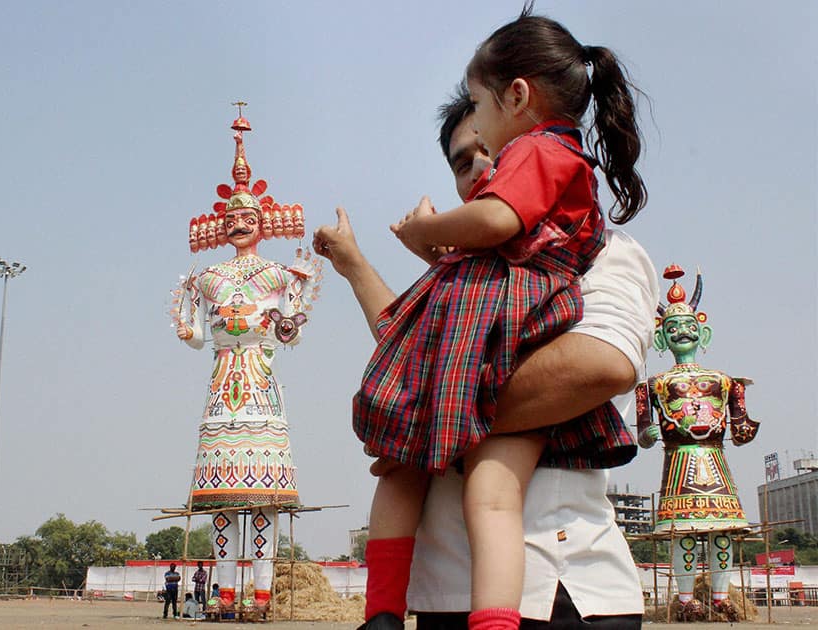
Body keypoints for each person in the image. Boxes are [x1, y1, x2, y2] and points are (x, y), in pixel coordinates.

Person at [316, 24, 653, 630]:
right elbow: (413, 353)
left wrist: (432, 417)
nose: (479, 168)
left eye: (487, 148)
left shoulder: (596, 252)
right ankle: (380, 612)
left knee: (440, 470)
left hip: (565, 588)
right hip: (446, 593)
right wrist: (355, 266)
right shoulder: (464, 270)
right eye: (460, 162)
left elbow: (602, 364)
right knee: (404, 466)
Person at [170, 107, 321, 612]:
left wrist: (284, 320)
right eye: (232, 218)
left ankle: (258, 596)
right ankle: (224, 594)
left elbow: (292, 329)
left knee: (261, 505)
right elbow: (193, 333)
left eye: (248, 218)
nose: (239, 223)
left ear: (263, 223)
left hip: (258, 378)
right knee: (221, 503)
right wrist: (190, 327)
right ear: (222, 223)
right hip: (223, 382)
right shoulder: (208, 277)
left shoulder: (279, 274)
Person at [636, 265, 759, 622]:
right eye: (673, 329)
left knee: (722, 532)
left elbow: (740, 431)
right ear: (662, 339)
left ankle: (719, 597)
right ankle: (686, 598)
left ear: (702, 332)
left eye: (690, 326)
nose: (683, 332)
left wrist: (742, 408)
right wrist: (648, 434)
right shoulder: (652, 385)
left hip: (714, 461)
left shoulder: (722, 380)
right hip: (678, 463)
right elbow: (644, 433)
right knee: (683, 533)